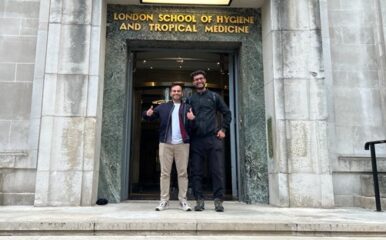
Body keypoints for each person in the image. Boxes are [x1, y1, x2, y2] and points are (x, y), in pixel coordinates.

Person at [143, 83, 193, 211]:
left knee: (183, 173)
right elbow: (150, 117)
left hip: (182, 144)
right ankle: (164, 200)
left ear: (182, 93)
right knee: (165, 173)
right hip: (165, 143)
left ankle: (183, 201)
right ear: (171, 93)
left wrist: (193, 119)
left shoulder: (187, 107)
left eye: (178, 91)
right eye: (174, 91)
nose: (176, 93)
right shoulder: (163, 107)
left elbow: (194, 126)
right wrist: (146, 114)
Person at [187, 70, 232, 212]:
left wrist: (223, 130)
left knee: (217, 171)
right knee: (196, 172)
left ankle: (218, 200)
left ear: (205, 80)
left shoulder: (214, 97)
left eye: (200, 78)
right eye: (196, 79)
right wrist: (191, 122)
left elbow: (227, 113)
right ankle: (199, 200)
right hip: (196, 140)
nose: (198, 81)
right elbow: (186, 120)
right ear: (193, 83)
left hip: (213, 138)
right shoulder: (190, 99)